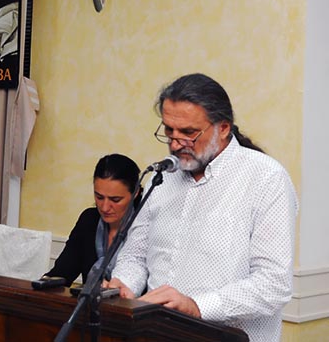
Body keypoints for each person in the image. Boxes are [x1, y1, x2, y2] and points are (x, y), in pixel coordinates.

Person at [107, 73, 298, 342]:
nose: (175, 144)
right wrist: (124, 284)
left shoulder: (266, 178)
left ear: (223, 128)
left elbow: (273, 284)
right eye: (169, 131)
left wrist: (198, 306)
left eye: (188, 133)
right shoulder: (161, 178)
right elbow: (135, 257)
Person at [44, 154, 141, 285]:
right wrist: (43, 284)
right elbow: (62, 273)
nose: (105, 207)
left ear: (136, 193)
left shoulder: (144, 227)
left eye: (115, 200)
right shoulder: (89, 220)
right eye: (99, 197)